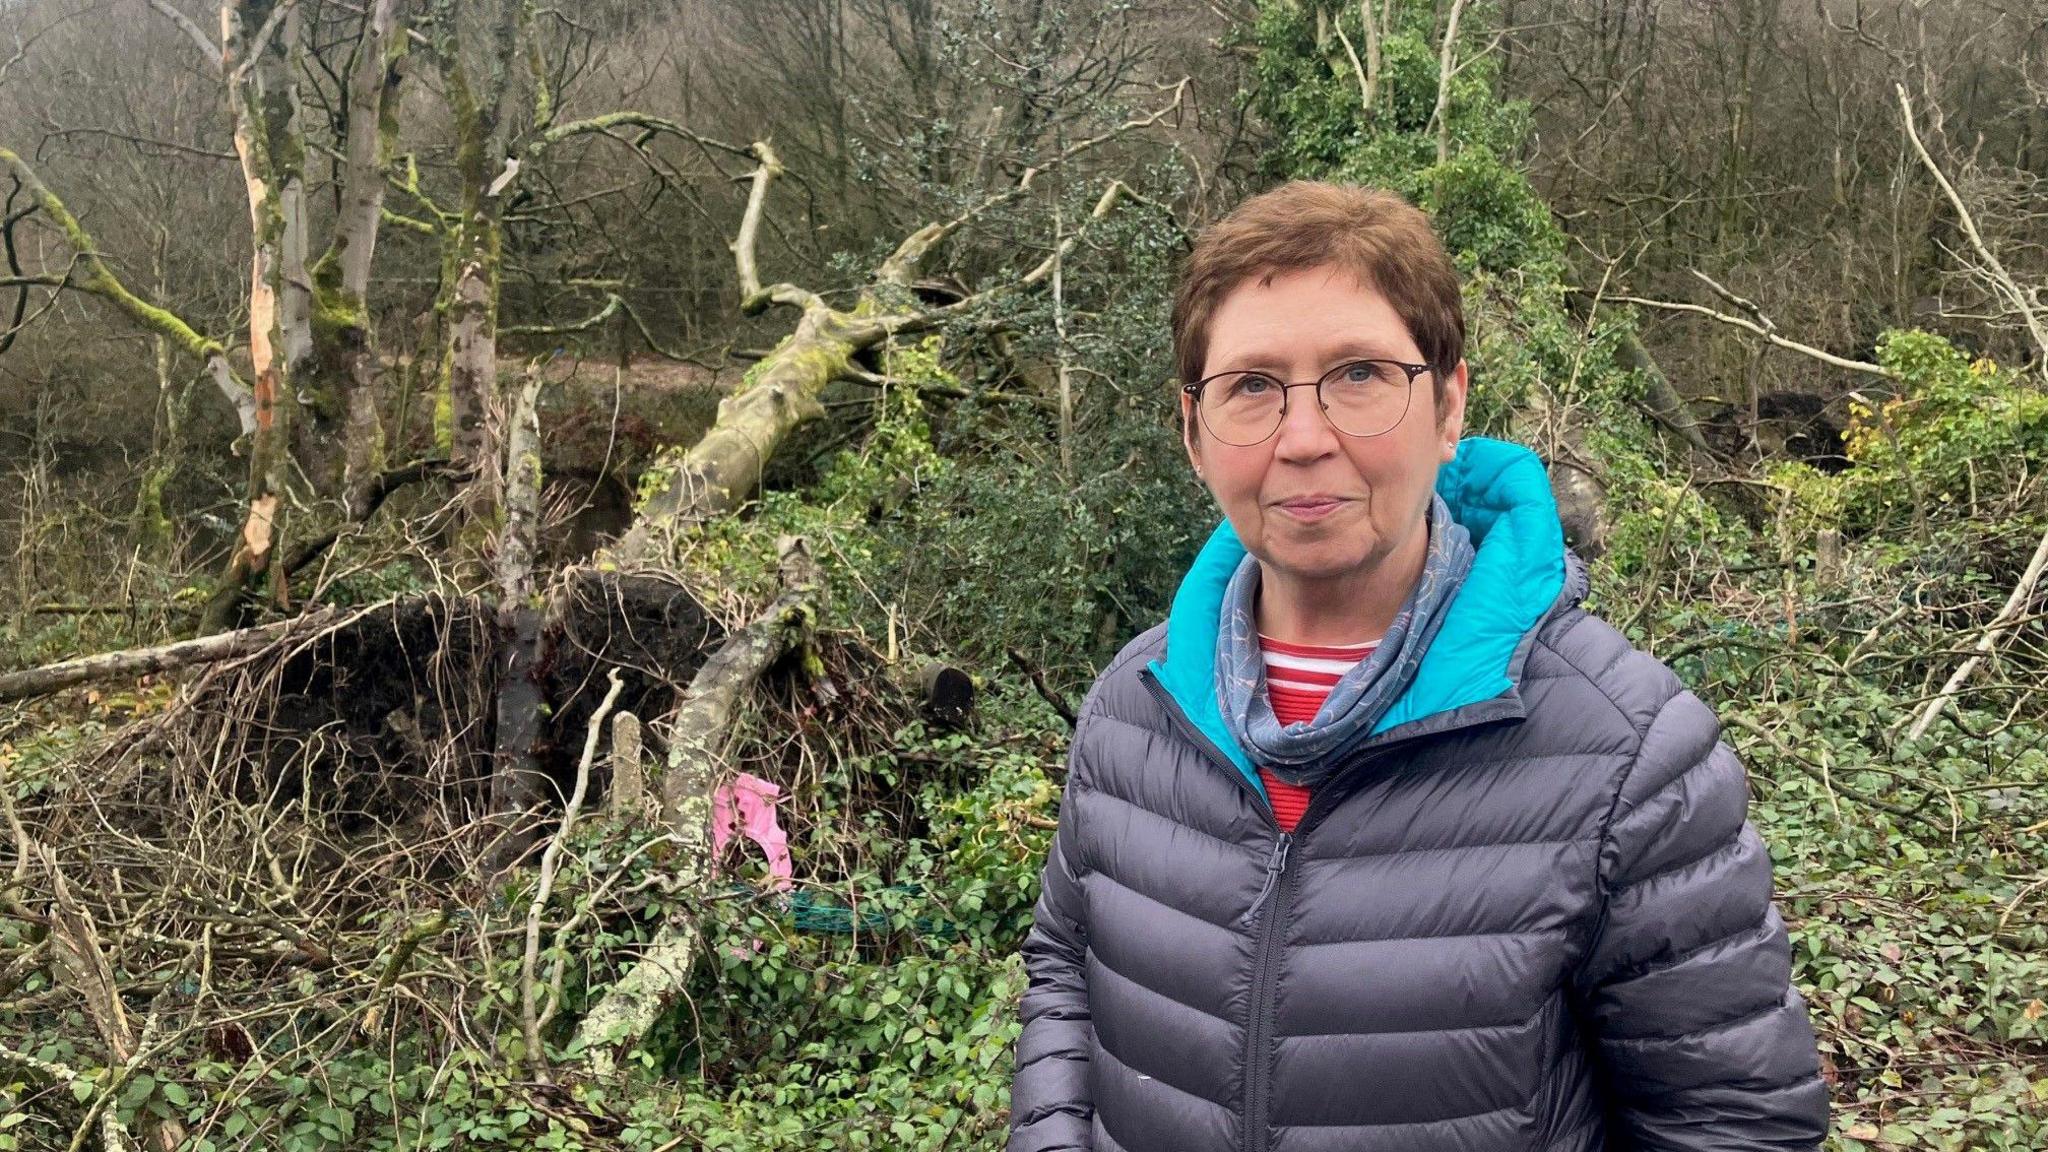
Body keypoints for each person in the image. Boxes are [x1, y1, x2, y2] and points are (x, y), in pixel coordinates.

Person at [1007, 182, 1830, 1152]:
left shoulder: (1627, 755)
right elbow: (1066, 971)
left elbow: (1735, 1127)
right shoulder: (1129, 711)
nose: (1303, 438)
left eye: (1358, 374)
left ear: (1446, 409)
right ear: (1192, 434)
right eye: (1250, 386)